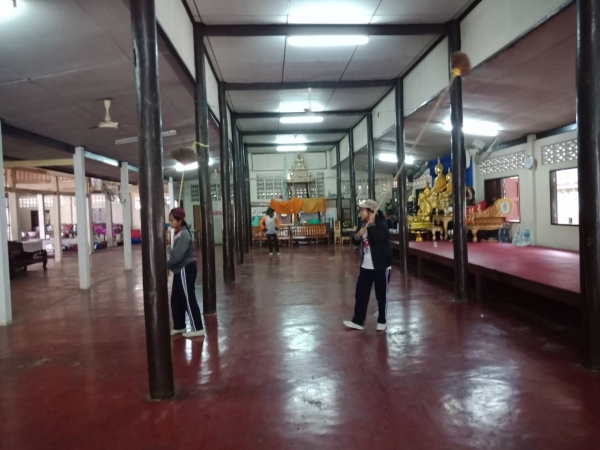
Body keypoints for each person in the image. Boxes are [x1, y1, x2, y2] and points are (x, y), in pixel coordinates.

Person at [344, 199, 393, 332]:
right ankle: (358, 321)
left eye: (363, 210)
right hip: (366, 265)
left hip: (381, 265)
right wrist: (358, 235)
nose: (360, 212)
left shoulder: (381, 223)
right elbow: (355, 241)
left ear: (371, 212)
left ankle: (382, 321)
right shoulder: (362, 223)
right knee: (361, 293)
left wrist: (371, 225)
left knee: (381, 295)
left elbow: (379, 238)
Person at [167, 207, 204, 339]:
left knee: (188, 298)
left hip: (185, 269)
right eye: (169, 220)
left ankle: (198, 328)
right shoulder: (179, 233)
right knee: (176, 299)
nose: (170, 223)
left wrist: (167, 265)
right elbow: (175, 252)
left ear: (179, 221)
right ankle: (179, 325)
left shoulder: (183, 235)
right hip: (180, 269)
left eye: (172, 220)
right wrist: (169, 248)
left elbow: (177, 256)